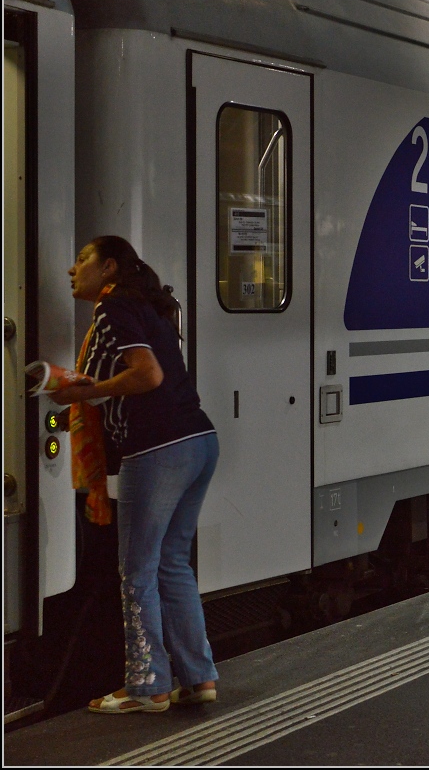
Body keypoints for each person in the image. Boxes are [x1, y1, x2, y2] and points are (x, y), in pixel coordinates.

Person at [51, 236, 219, 713]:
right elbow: (135, 377)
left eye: (81, 260)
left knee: (137, 570)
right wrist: (91, 389)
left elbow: (147, 376)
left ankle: (148, 686)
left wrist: (83, 394)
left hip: (159, 448)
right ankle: (199, 677)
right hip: (198, 442)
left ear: (107, 268)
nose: (71, 270)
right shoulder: (142, 306)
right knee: (171, 563)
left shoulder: (114, 308)